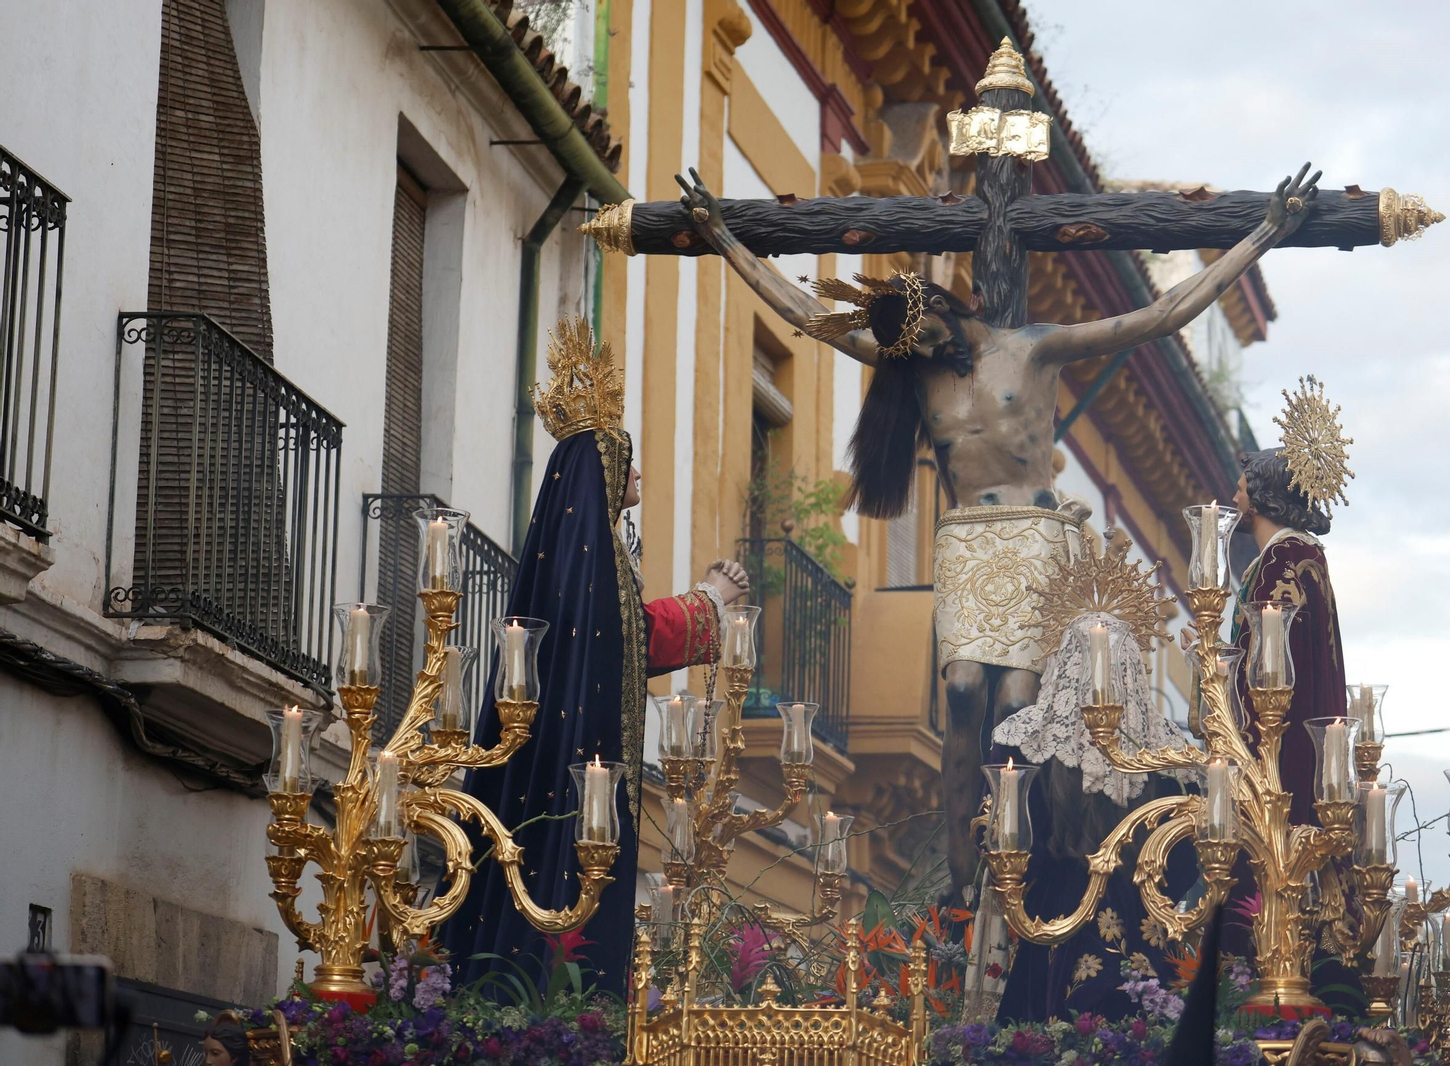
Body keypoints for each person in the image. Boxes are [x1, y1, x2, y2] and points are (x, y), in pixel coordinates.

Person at [674, 162, 1323, 901]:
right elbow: (805, 314)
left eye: (920, 343)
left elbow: (1159, 317)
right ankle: (963, 880)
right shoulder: (916, 370)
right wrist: (725, 238)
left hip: (1035, 531)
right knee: (959, 693)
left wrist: (1264, 232)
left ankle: (1034, 856)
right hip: (967, 537)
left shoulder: (1034, 348)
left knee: (1016, 699)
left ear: (941, 312)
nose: (915, 359)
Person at [439, 318, 748, 998]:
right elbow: (619, 635)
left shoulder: (589, 553)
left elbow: (617, 635)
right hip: (576, 770)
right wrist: (709, 602)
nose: (637, 472)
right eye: (626, 460)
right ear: (604, 473)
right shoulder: (591, 559)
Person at [1167, 378, 1356, 1061]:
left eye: (1245, 479)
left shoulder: (1283, 557)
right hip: (1292, 751)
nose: (1236, 487)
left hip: (1277, 758)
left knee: (1258, 880)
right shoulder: (1296, 557)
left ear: (1266, 490)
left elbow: (1270, 669)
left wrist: (1218, 679)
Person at [975, 531, 1198, 1023]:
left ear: (1062, 663)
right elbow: (1188, 860)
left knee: (1040, 1039)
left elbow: (1003, 847)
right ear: (1134, 667)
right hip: (1145, 931)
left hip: (1051, 925)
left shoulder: (1021, 741)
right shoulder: (1170, 753)